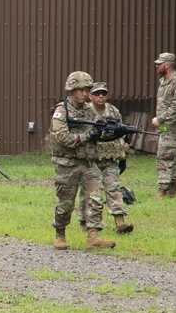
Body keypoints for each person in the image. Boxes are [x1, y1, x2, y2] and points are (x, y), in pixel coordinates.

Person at [48, 72, 116, 251]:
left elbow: (98, 131)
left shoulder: (90, 110)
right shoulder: (62, 111)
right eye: (81, 90)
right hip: (67, 165)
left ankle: (93, 235)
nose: (85, 94)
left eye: (87, 90)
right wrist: (86, 136)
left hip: (88, 163)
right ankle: (60, 233)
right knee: (66, 203)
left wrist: (111, 131)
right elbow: (62, 137)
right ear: (71, 90)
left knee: (95, 198)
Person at [77, 82, 134, 234]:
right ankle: (84, 222)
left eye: (103, 93)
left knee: (113, 187)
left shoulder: (113, 111)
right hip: (91, 158)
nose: (100, 96)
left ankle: (120, 221)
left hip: (109, 157)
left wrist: (121, 136)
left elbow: (119, 132)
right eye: (97, 93)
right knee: (87, 191)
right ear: (90, 96)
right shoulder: (85, 111)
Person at [151, 52, 176, 198]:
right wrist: (161, 124)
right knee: (171, 155)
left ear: (167, 65)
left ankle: (162, 190)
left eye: (159, 63)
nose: (156, 65)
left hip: (172, 126)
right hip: (165, 126)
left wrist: (160, 119)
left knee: (164, 156)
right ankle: (174, 189)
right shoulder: (164, 82)